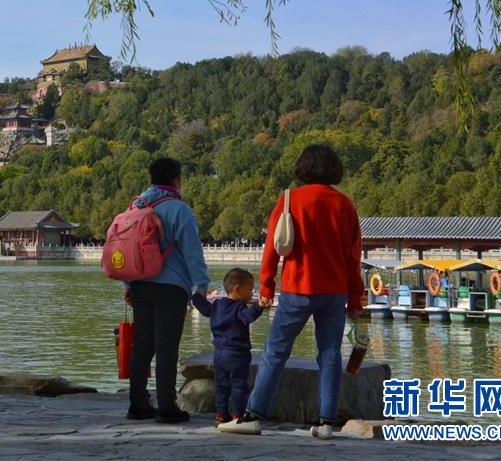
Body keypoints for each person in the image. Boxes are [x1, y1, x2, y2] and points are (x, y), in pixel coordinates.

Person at [225, 144, 362, 440]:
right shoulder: (345, 205)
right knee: (329, 356)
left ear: (303, 167)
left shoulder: (290, 200)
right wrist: (356, 295)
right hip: (335, 290)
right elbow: (353, 257)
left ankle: (253, 415)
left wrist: (266, 285)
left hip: (297, 287)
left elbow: (272, 249)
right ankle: (326, 422)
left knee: (276, 352)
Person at [125, 157, 210, 423]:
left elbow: (127, 248)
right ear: (176, 180)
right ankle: (166, 405)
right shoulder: (179, 209)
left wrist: (128, 284)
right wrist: (202, 285)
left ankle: (137, 403)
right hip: (170, 287)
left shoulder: (136, 206)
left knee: (142, 346)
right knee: (166, 347)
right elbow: (192, 251)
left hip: (139, 284)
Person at [190, 268, 267, 426]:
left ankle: (221, 414)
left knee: (221, 385)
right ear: (237, 289)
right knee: (239, 385)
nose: (252, 293)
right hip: (238, 354)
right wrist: (259, 306)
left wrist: (197, 296)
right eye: (250, 290)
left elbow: (204, 308)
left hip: (219, 354)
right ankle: (237, 415)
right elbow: (248, 318)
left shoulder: (217, 304)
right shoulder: (240, 307)